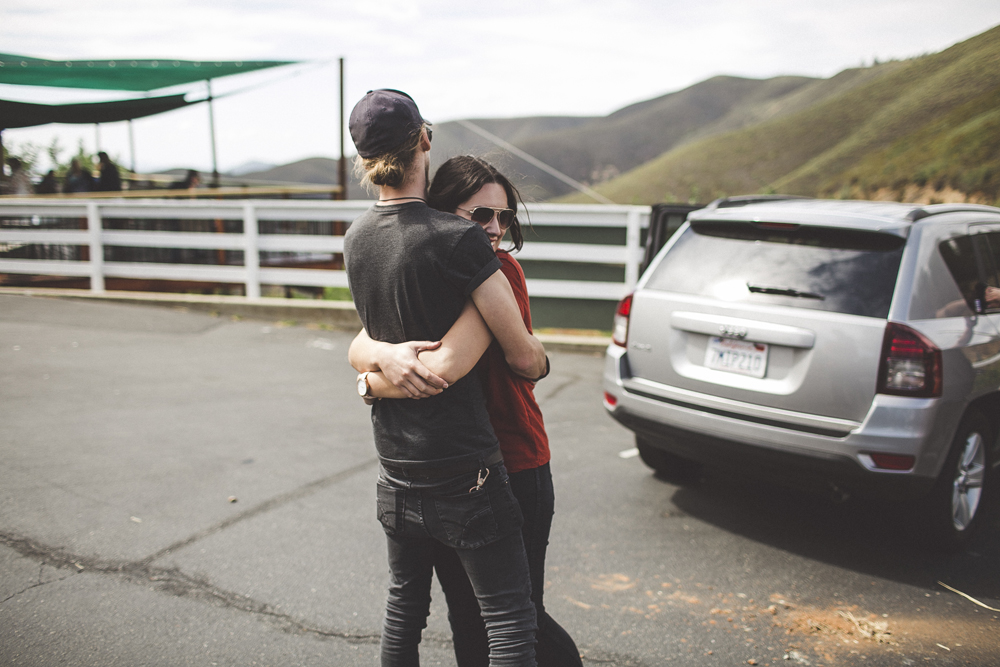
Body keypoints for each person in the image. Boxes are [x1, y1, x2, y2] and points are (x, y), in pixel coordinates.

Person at [351, 155, 583, 667]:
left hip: (514, 458)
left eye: (503, 217)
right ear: (442, 213)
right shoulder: (441, 266)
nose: (495, 230)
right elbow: (366, 341)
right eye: (480, 216)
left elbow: (475, 365)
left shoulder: (497, 270)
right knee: (484, 616)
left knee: (520, 616)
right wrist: (379, 363)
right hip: (469, 468)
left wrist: (371, 382)